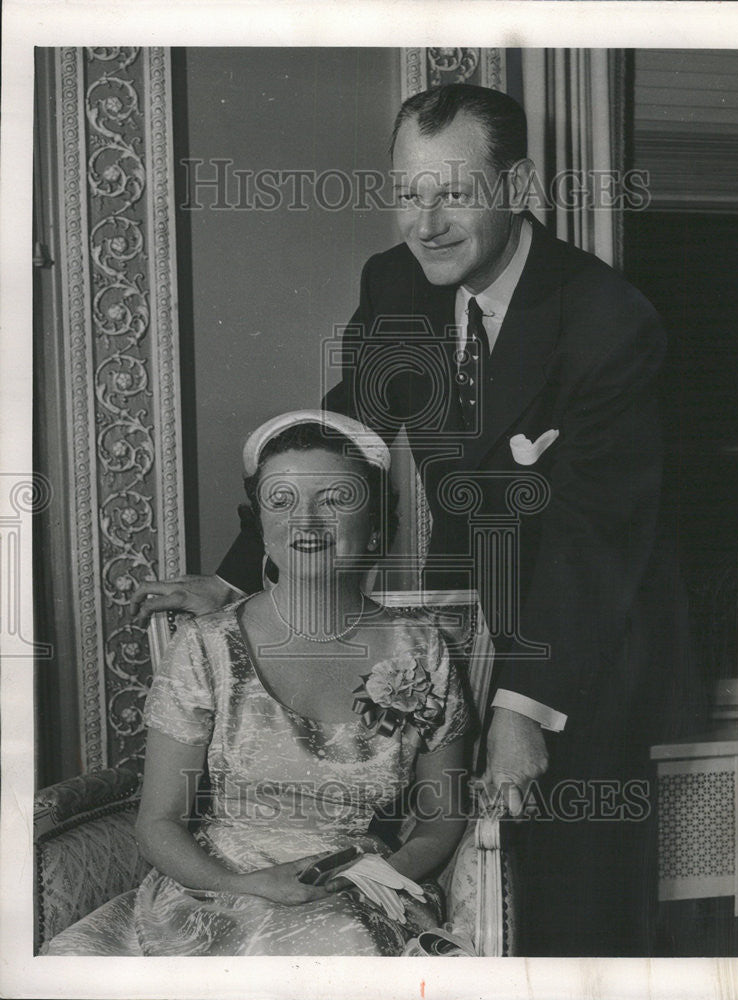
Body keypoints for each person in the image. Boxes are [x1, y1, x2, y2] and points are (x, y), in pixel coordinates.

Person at [133, 84, 703, 954]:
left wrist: (526, 707)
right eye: (409, 191)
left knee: (570, 901)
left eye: (456, 192)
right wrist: (240, 571)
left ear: (517, 185)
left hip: (589, 643)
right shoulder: (395, 282)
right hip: (463, 627)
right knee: (441, 890)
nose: (425, 222)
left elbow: (596, 538)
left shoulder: (608, 320)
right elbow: (348, 433)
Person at [45, 412, 470, 956]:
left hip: (354, 894)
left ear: (379, 523)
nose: (307, 521)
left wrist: (374, 876)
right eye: (282, 501)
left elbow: (441, 817)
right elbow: (159, 821)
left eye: (336, 499)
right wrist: (244, 886)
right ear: (261, 525)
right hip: (214, 893)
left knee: (332, 946)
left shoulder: (422, 649)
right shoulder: (207, 645)